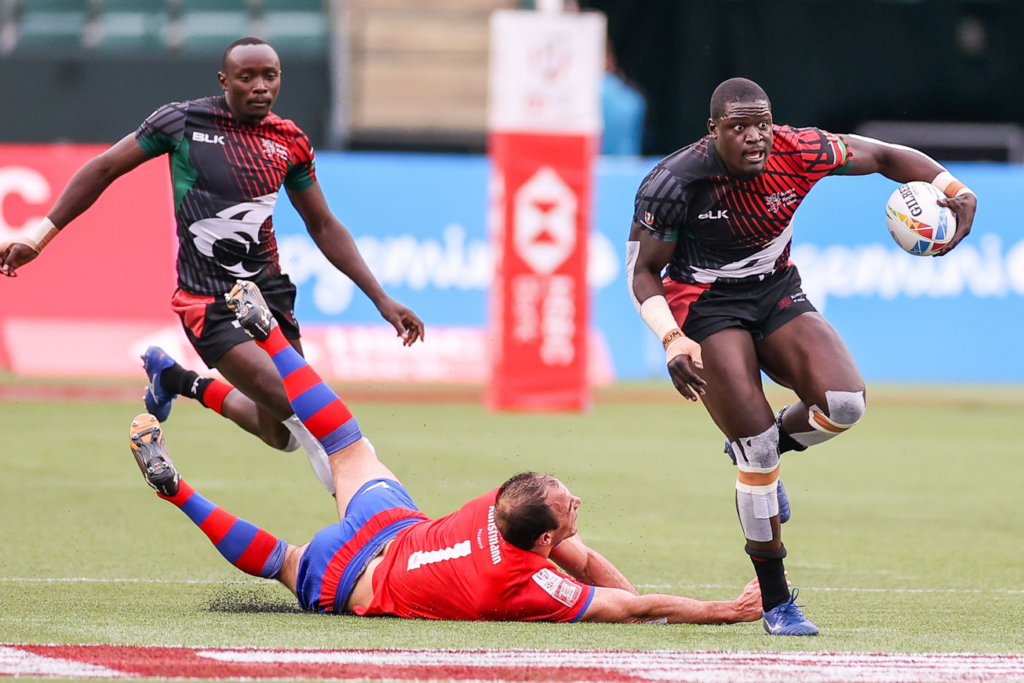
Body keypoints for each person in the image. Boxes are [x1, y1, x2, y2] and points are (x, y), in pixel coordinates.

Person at [126, 279, 764, 625]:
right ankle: (174, 488)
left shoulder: (503, 505)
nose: (576, 505)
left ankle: (268, 344)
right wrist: (724, 611)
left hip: (392, 524)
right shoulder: (524, 578)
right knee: (283, 560)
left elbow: (589, 561)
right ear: (541, 540)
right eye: (569, 505)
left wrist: (620, 588)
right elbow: (619, 599)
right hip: (359, 579)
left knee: (340, 439)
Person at [626, 78, 977, 636]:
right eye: (739, 127)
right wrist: (672, 340)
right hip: (705, 306)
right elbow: (642, 272)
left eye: (761, 124)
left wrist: (953, 188)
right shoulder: (674, 180)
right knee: (759, 455)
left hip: (774, 290)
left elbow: (885, 155)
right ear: (712, 130)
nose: (754, 138)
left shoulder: (800, 149)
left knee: (844, 404)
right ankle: (776, 601)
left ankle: (756, 444)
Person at [0, 38, 423, 493]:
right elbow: (102, 169)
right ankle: (374, 514)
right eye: (247, 77)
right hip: (209, 303)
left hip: (268, 297)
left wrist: (380, 298)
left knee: (280, 434)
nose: (261, 87)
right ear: (224, 81)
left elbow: (322, 224)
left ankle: (179, 380)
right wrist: (38, 237)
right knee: (304, 406)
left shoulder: (290, 141)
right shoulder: (181, 122)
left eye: (271, 76)